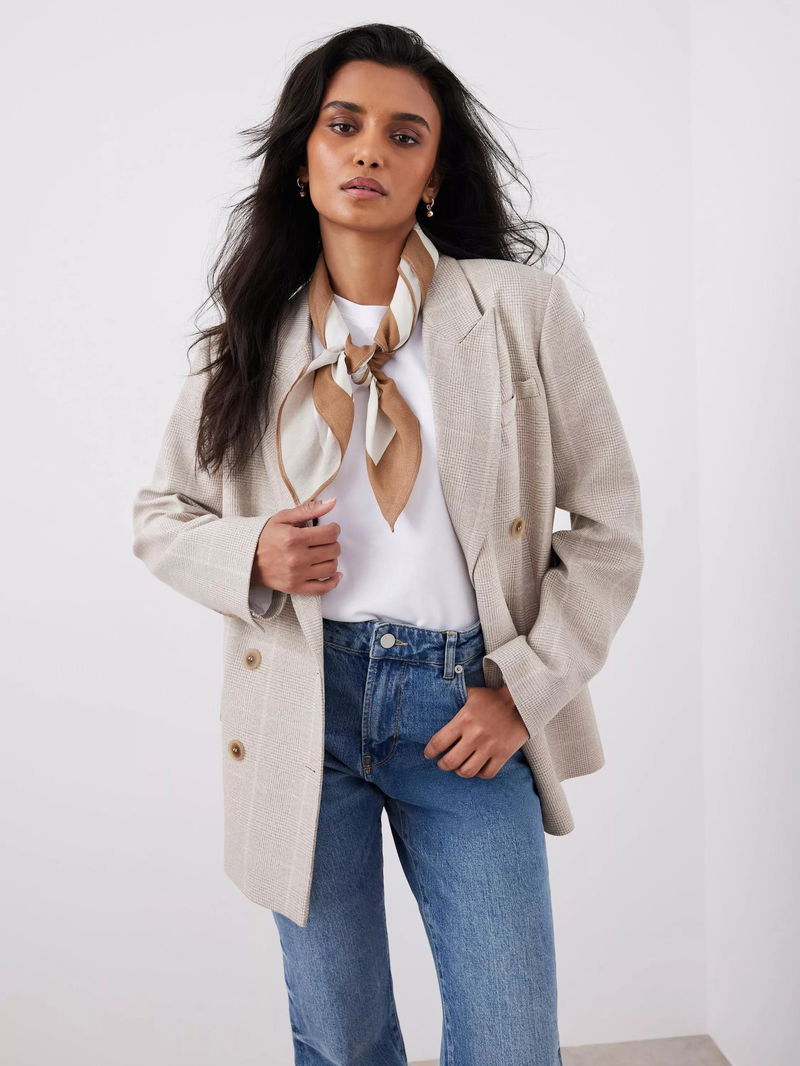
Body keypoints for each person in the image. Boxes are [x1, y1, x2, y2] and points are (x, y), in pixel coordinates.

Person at [132, 22, 644, 1066]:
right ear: (303, 159)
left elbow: (608, 527)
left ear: (432, 177)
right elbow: (160, 514)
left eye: (404, 135)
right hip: (302, 704)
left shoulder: (517, 311)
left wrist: (524, 689)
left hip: (465, 708)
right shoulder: (247, 342)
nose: (370, 149)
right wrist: (251, 555)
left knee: (510, 1040)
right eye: (344, 125)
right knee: (340, 1036)